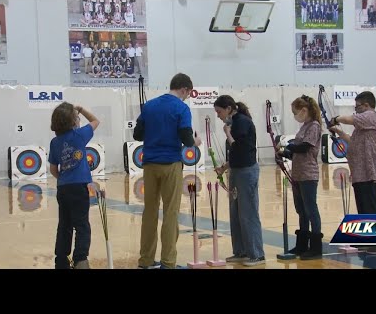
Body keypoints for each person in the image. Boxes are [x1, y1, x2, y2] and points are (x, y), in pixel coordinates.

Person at [133, 73, 202, 269]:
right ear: (184, 89)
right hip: (170, 163)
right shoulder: (181, 108)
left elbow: (137, 135)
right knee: (170, 213)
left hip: (149, 165)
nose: (187, 97)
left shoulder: (150, 106)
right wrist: (195, 142)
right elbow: (187, 139)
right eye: (188, 94)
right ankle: (168, 262)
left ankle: (145, 260)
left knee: (150, 212)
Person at [329, 91, 376, 254]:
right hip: (359, 171)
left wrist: (336, 118)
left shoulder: (374, 116)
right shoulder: (363, 126)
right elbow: (354, 142)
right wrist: (339, 133)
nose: (355, 110)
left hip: (370, 171)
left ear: (366, 105)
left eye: (357, 106)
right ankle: (368, 241)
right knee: (364, 208)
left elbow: (351, 119)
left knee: (372, 207)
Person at [213, 95, 265, 266]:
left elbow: (240, 148)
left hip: (247, 172)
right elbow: (236, 154)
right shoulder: (234, 122)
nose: (218, 115)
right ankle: (241, 251)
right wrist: (224, 168)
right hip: (236, 171)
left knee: (248, 213)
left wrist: (228, 133)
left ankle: (256, 254)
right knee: (235, 213)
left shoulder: (241, 122)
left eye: (219, 111)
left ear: (228, 108)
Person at [48, 102, 100, 269]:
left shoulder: (55, 142)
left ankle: (61, 261)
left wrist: (64, 178)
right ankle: (80, 261)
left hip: (63, 188)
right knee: (82, 225)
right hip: (79, 188)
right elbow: (95, 121)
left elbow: (53, 169)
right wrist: (81, 109)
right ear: (73, 122)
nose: (79, 120)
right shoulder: (79, 135)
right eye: (76, 118)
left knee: (64, 225)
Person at [277, 95, 323, 260]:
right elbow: (298, 152)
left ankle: (316, 247)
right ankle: (302, 245)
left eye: (295, 112)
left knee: (311, 210)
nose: (294, 115)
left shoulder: (314, 126)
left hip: (308, 175)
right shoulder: (304, 126)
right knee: (301, 211)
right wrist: (285, 153)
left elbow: (305, 148)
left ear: (304, 110)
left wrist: (290, 146)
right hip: (298, 173)